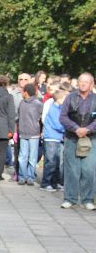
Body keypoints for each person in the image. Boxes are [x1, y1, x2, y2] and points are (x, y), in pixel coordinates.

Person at [59, 72, 96, 210]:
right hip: (72, 137)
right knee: (71, 170)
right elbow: (63, 117)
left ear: (92, 84)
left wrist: (87, 129)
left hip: (91, 138)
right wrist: (76, 128)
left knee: (89, 170)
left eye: (86, 81)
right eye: (81, 81)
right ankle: (70, 198)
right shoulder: (70, 97)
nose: (83, 83)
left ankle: (87, 199)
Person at [40, 89, 68, 191]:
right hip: (51, 138)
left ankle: (55, 182)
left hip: (57, 138)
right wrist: (67, 129)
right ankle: (45, 183)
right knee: (51, 162)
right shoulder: (53, 109)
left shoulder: (60, 108)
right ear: (60, 99)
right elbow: (57, 124)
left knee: (57, 162)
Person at [16, 83, 43, 185]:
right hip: (23, 133)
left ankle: (31, 176)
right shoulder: (22, 103)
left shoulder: (38, 104)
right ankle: (22, 176)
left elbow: (41, 118)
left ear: (26, 92)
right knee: (22, 156)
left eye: (22, 91)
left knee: (32, 157)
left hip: (34, 134)